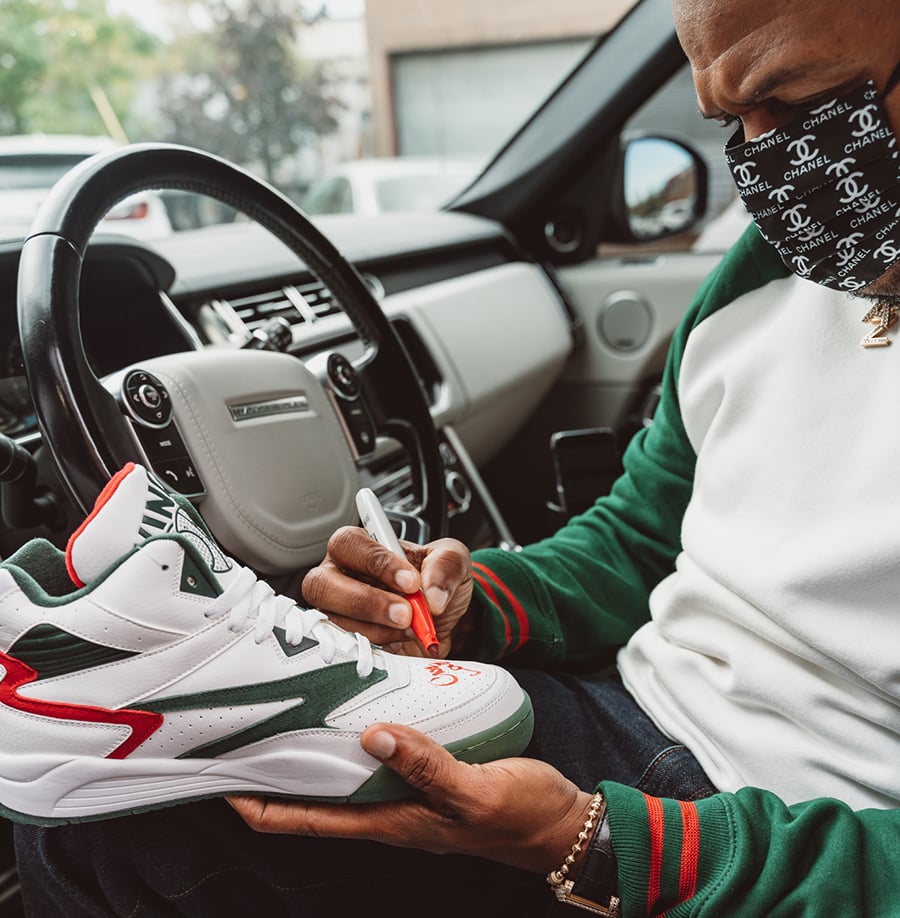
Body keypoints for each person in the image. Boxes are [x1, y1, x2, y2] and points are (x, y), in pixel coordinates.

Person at [13, 0, 900, 915]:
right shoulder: (763, 276)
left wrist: (602, 846)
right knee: (101, 805)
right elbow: (641, 536)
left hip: (785, 840)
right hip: (636, 710)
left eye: (801, 100)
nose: (766, 160)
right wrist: (474, 603)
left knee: (108, 840)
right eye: (729, 123)